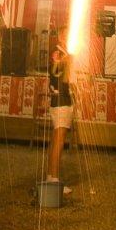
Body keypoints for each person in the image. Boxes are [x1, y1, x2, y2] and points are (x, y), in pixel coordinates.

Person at [45, 31, 74, 194]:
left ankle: (51, 176)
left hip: (61, 102)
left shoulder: (63, 53)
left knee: (56, 140)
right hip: (61, 102)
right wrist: (67, 59)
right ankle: (54, 180)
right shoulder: (59, 52)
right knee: (59, 141)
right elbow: (57, 71)